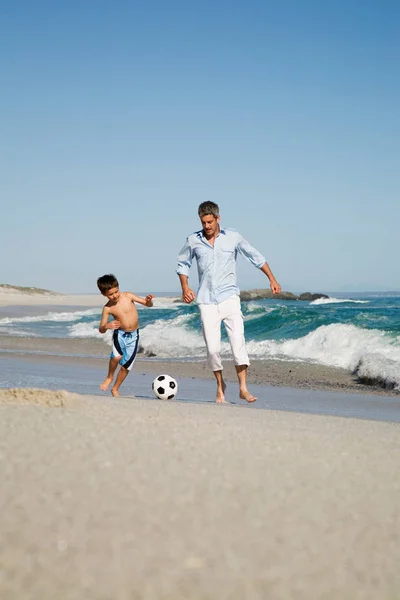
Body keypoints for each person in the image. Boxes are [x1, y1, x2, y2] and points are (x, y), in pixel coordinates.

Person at [177, 201, 281, 404]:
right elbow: (182, 264)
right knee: (213, 350)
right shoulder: (193, 240)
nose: (206, 226)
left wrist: (272, 279)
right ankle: (220, 385)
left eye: (209, 222)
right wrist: (185, 287)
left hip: (230, 298)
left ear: (218, 218)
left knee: (237, 344)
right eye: (203, 222)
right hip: (206, 301)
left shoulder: (233, 237)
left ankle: (243, 388)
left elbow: (255, 256)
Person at [97, 274, 154, 397]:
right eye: (110, 294)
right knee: (116, 357)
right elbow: (101, 329)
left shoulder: (128, 296)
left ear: (118, 287)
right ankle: (109, 377)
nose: (115, 296)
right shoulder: (107, 308)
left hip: (134, 335)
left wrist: (149, 301)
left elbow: (147, 304)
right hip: (120, 334)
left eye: (116, 292)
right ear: (104, 295)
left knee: (126, 366)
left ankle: (115, 389)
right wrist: (107, 326)